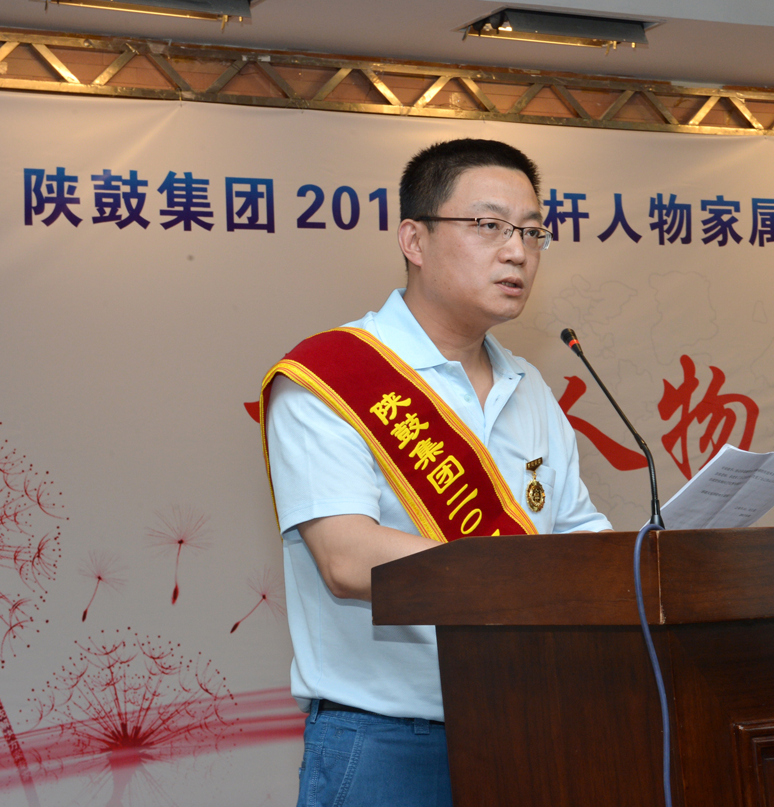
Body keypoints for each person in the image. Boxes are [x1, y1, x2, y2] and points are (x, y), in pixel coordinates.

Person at [258, 138, 612, 807]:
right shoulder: (329, 377)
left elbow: (578, 534)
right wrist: (526, 573)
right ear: (414, 240)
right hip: (385, 743)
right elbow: (347, 558)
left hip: (528, 723)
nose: (517, 251)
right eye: (489, 226)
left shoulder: (530, 386)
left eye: (532, 231)